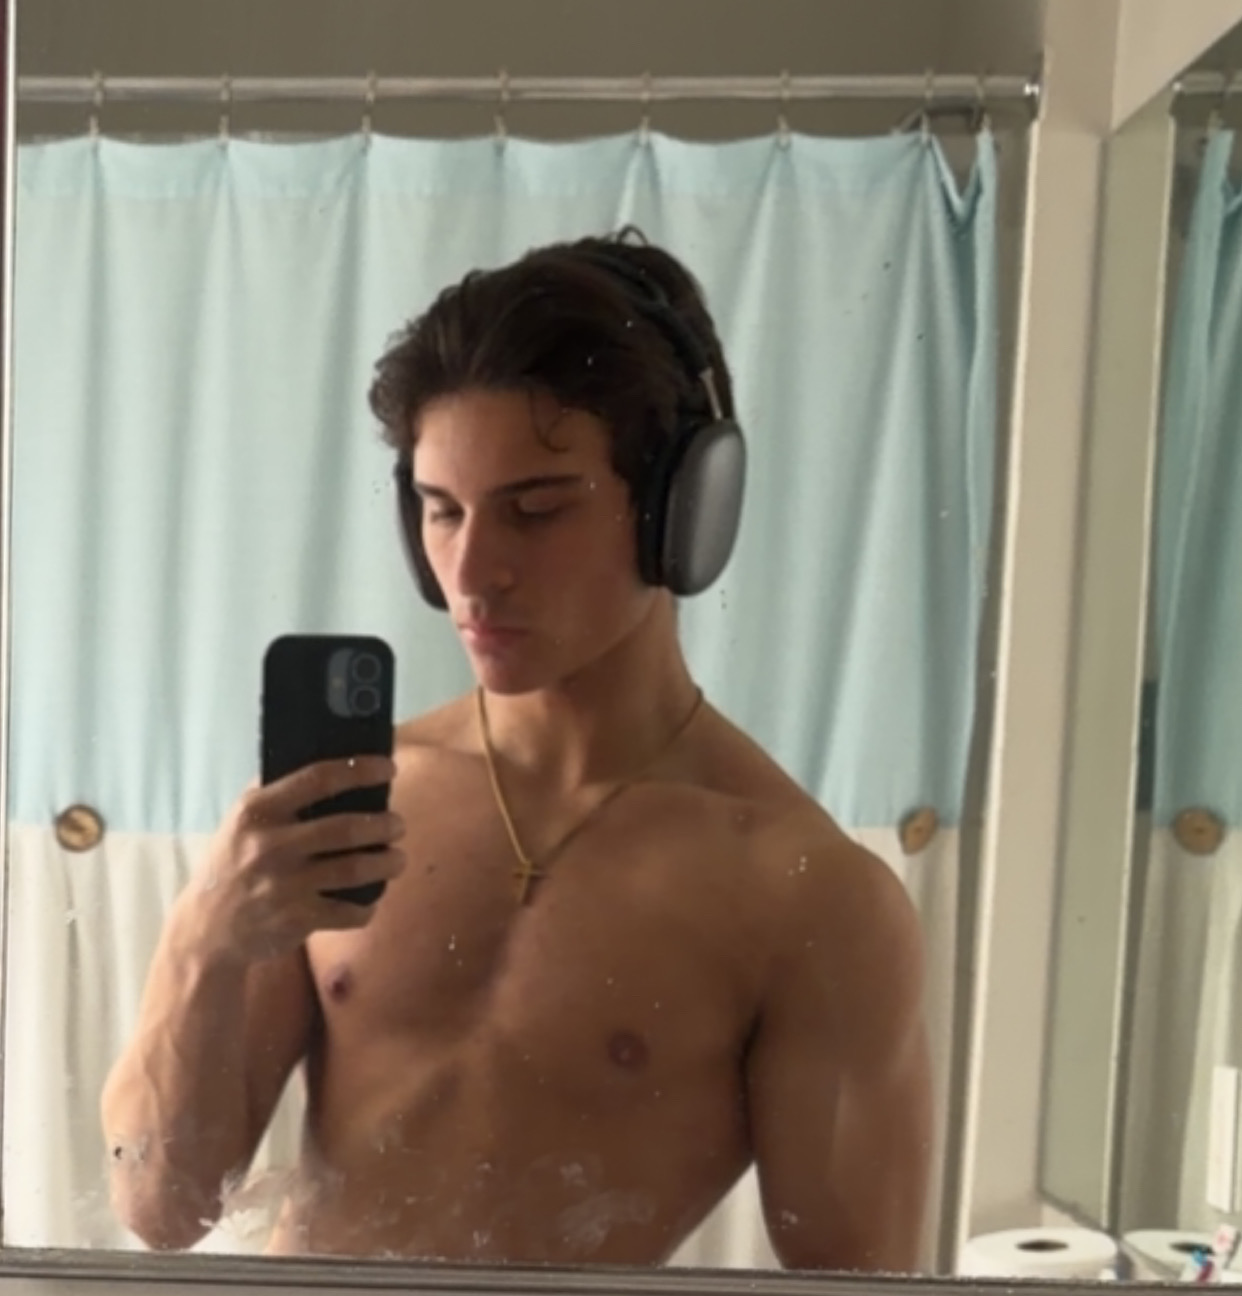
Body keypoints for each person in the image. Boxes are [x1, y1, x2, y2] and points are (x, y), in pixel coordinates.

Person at [101, 229, 933, 1268]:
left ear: (677, 512)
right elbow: (158, 1209)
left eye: (534, 512)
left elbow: (859, 1292)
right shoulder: (346, 803)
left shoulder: (806, 895)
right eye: (440, 512)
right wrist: (205, 937)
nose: (470, 573)